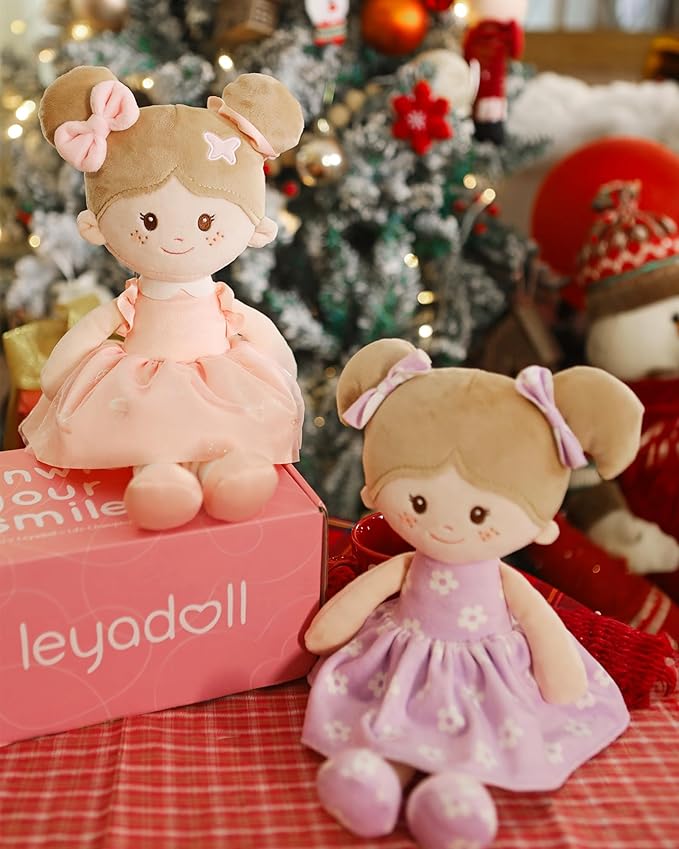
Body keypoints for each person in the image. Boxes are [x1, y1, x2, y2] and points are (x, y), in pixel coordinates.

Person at [302, 338, 642, 849]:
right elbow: (352, 607)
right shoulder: (407, 565)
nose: (445, 526)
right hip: (403, 654)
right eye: (418, 501)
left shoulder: (505, 580)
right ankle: (378, 777)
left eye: (479, 513)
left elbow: (539, 623)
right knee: (394, 716)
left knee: (477, 729)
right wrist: (326, 632)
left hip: (486, 669)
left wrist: (561, 679)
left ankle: (453, 792)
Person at [21, 66, 304, 530]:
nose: (178, 239)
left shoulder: (224, 303)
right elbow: (87, 337)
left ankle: (227, 473)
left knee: (222, 432)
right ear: (96, 224)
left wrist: (281, 371)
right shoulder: (131, 303)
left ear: (253, 225)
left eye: (207, 222)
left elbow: (267, 341)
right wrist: (57, 378)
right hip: (141, 384)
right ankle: (158, 478)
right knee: (150, 433)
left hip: (220, 378)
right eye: (147, 221)